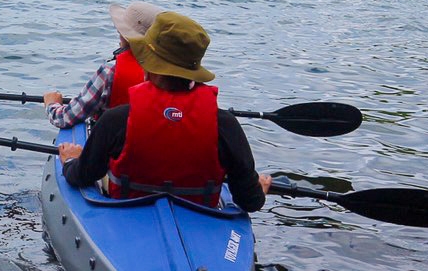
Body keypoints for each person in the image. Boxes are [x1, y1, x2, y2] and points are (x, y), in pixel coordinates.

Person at [56, 11, 271, 212]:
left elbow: (82, 176)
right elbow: (249, 201)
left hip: (127, 211)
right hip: (199, 214)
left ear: (148, 68)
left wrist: (71, 161)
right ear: (194, 71)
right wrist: (258, 189)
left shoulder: (116, 120)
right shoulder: (225, 124)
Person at [42, 1, 162, 129]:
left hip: (114, 145)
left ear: (124, 35)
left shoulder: (110, 71)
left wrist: (52, 104)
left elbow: (64, 118)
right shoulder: (171, 72)